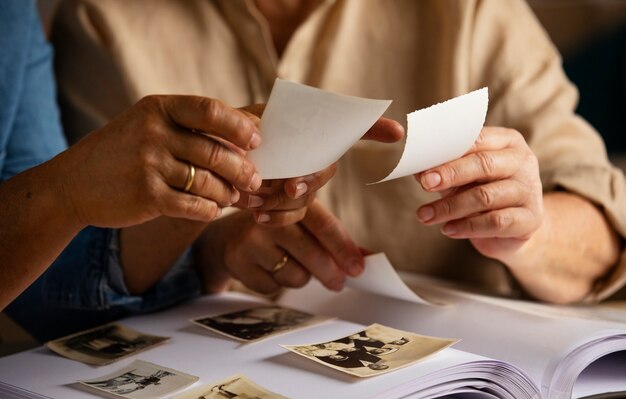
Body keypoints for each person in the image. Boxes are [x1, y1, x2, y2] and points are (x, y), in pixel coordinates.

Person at [50, 0, 626, 305]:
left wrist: (530, 232)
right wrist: (212, 250)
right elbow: (75, 270)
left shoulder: (470, 11)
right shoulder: (106, 20)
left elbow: (605, 228)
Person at [1, 0, 404, 341]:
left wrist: (204, 233)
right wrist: (70, 191)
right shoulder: (98, 17)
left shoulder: (15, 13)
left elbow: (39, 279)